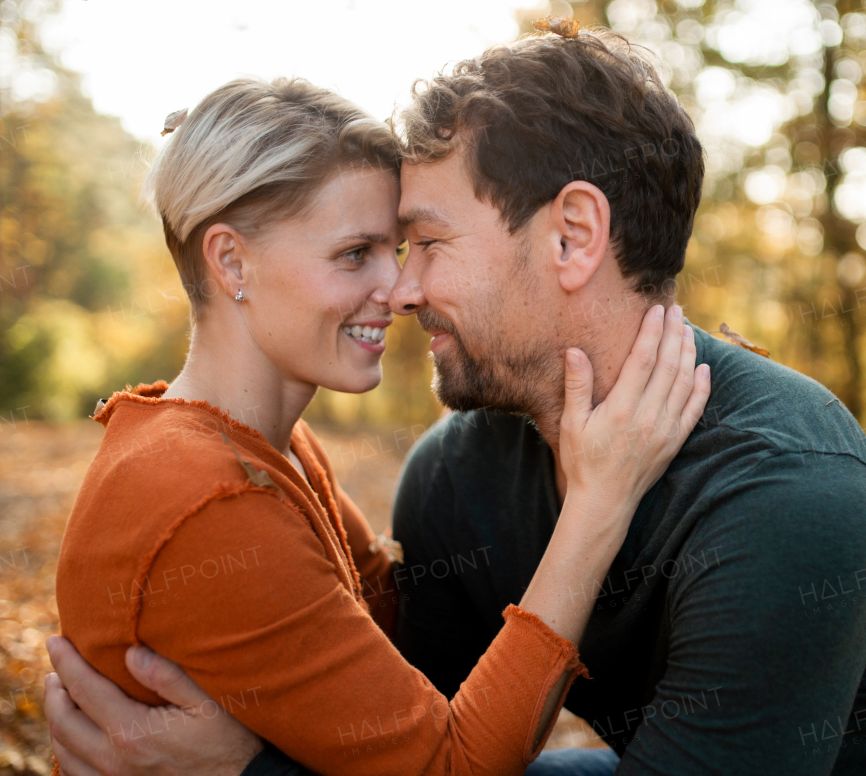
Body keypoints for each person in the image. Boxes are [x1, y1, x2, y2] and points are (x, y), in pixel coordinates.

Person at [45, 24, 866, 776]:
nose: (402, 291)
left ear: (575, 235)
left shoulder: (790, 504)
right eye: (366, 253)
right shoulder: (459, 475)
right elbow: (426, 747)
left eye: (424, 243)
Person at [45, 75, 710, 776]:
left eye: (396, 250)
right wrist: (598, 503)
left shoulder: (272, 448)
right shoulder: (208, 494)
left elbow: (404, 644)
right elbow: (453, 767)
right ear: (231, 260)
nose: (395, 291)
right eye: (354, 254)